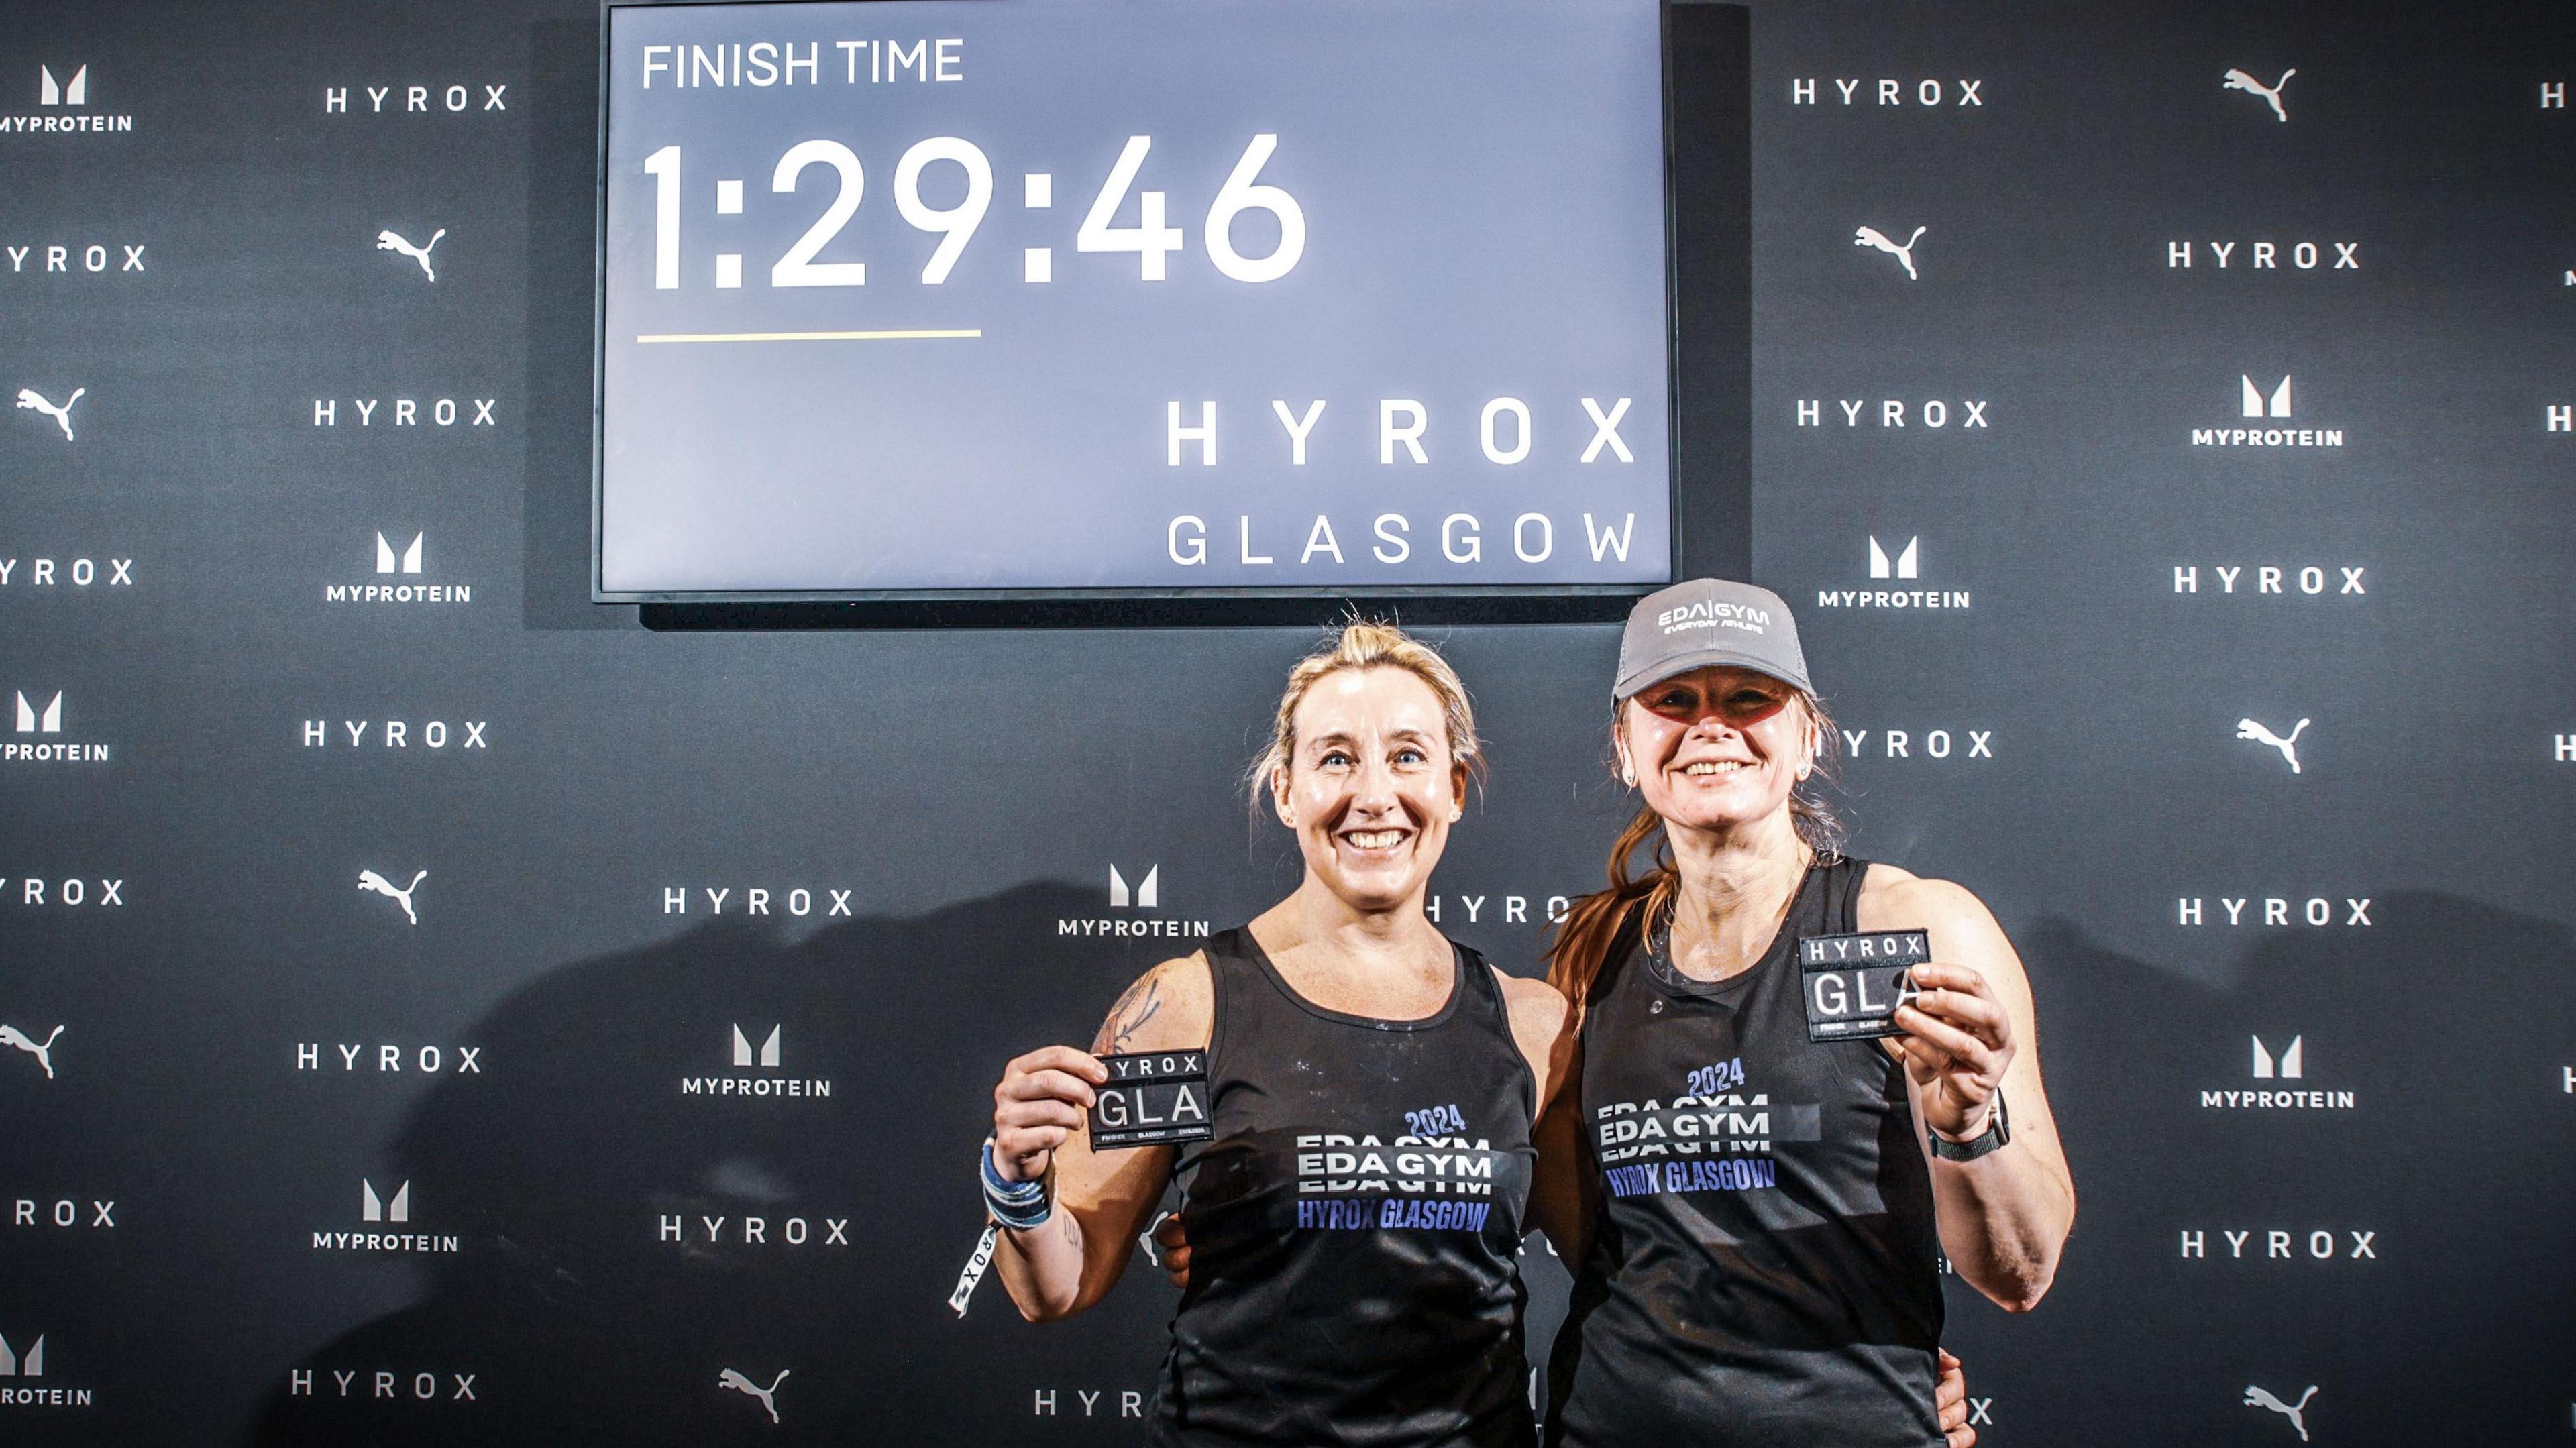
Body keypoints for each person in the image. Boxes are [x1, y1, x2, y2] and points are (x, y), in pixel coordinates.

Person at [983, 620, 1573, 1448]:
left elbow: (1623, 1264)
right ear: (1286, 790)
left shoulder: (1532, 1022)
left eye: (1407, 754)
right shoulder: (1185, 1004)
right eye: (1336, 757)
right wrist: (1017, 1177)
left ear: (1456, 786)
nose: (1373, 794)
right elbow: (1057, 1282)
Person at [1539, 579, 2076, 1448]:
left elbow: (2023, 1271)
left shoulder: (1918, 924)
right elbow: (1591, 1240)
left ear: (1806, 734)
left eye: (1748, 696)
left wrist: (1970, 1122)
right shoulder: (1594, 954)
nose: (1710, 723)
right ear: (1625, 747)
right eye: (1673, 699)